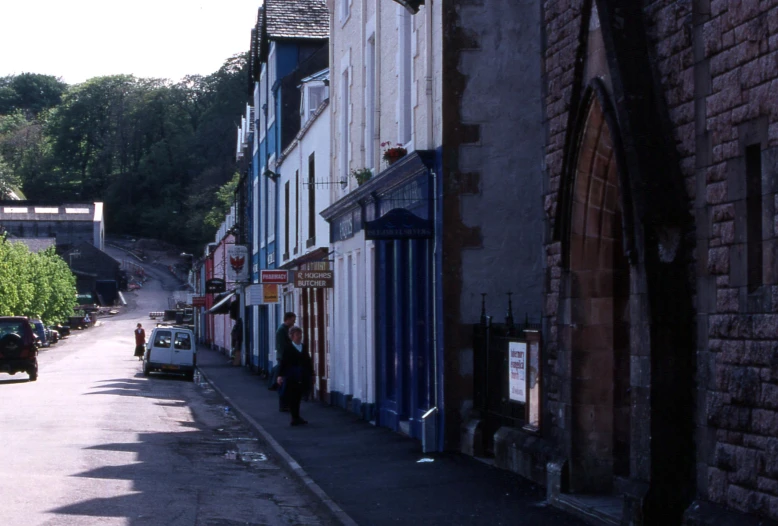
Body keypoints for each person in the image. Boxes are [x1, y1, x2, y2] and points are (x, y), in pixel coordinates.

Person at [277, 326, 313, 426]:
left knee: (299, 395)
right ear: (292, 336)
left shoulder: (303, 347)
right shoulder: (288, 348)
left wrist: (311, 374)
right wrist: (280, 375)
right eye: (297, 335)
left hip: (302, 374)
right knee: (293, 396)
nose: (299, 336)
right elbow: (283, 362)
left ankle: (297, 416)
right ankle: (294, 417)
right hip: (291, 375)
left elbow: (307, 361)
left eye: (300, 334)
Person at [268, 312, 296, 392]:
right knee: (279, 368)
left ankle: (273, 383)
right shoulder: (282, 330)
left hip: (283, 354)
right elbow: (282, 344)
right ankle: (273, 384)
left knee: (278, 368)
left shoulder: (286, 329)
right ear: (287, 320)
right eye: (292, 320)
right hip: (283, 354)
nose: (293, 322)